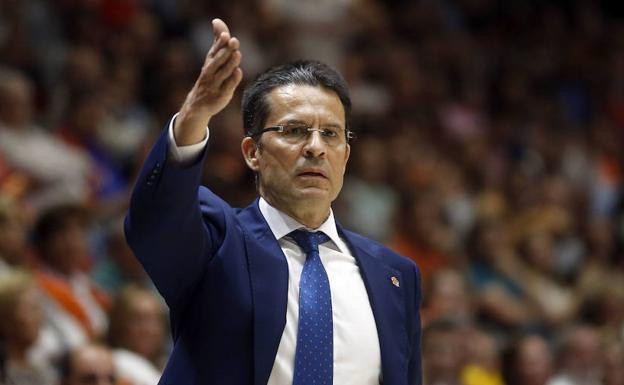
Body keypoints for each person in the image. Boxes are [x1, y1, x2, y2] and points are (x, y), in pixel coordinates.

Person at [125, 18, 422, 385]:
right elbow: (154, 224)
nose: (315, 147)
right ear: (252, 152)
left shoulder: (395, 275)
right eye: (294, 131)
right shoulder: (218, 238)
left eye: (330, 134)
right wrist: (194, 115)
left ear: (345, 156)